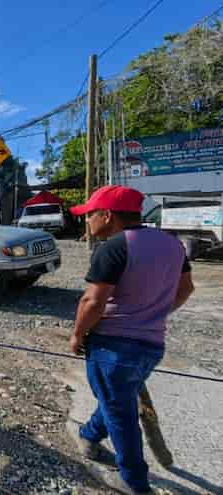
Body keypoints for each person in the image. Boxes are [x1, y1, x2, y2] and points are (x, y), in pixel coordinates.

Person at [69, 185, 195, 495]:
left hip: (112, 347)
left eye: (90, 215)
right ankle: (88, 436)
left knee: (120, 412)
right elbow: (186, 289)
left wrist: (77, 335)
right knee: (117, 400)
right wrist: (151, 314)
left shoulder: (113, 247)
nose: (87, 221)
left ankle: (134, 482)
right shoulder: (172, 244)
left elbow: (92, 303)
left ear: (107, 215)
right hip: (152, 346)